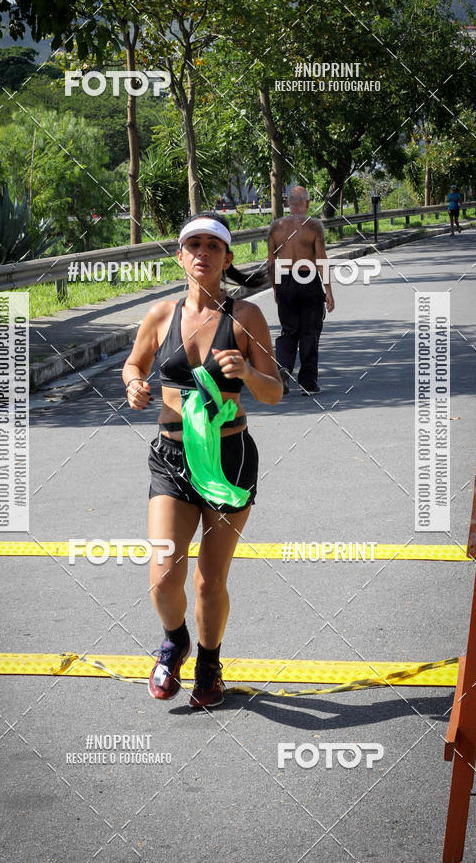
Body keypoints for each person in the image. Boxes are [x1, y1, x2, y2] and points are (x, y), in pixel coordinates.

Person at [122, 212, 282, 709]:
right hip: (171, 459)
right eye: (194, 245)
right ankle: (175, 640)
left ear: (227, 258)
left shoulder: (246, 317)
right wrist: (133, 384)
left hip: (228, 458)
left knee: (210, 580)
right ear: (180, 256)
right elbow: (134, 362)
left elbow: (274, 391)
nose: (203, 253)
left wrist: (246, 374)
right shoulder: (160, 316)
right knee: (163, 574)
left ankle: (209, 664)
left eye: (214, 246)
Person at [267, 185, 335, 395]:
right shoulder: (314, 226)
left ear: (288, 203)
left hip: (286, 280)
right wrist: (328, 291)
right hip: (308, 279)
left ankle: (283, 367)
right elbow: (321, 259)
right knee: (309, 333)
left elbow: (271, 262)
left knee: (288, 331)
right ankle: (308, 383)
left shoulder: (275, 227)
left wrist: (276, 288)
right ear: (306, 203)